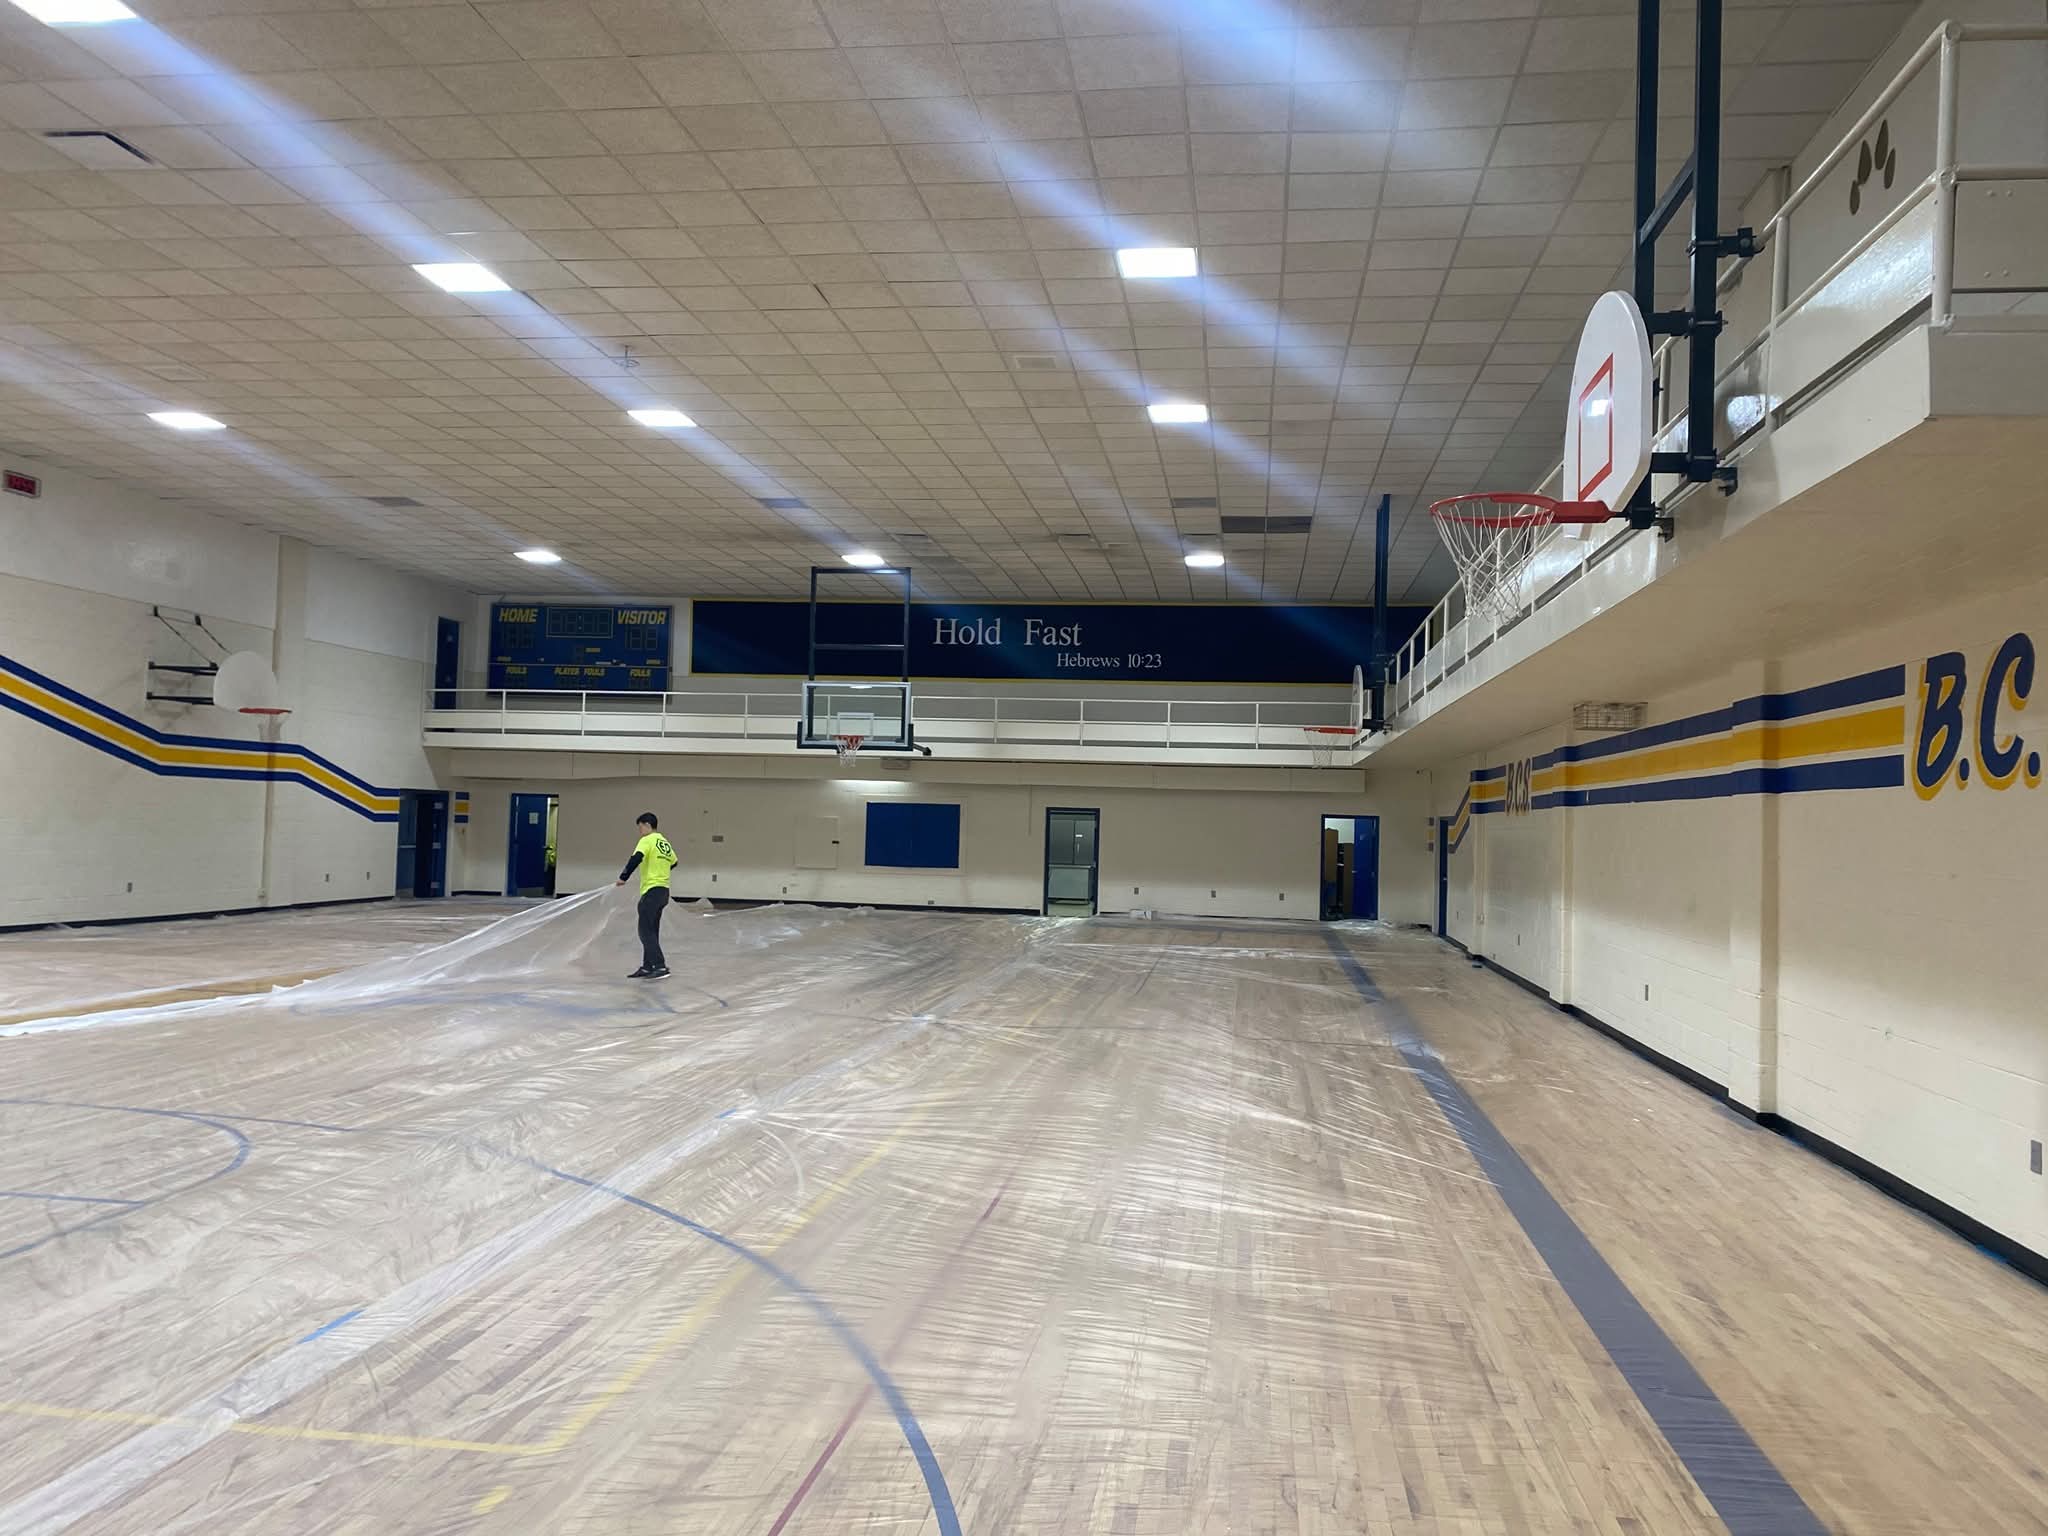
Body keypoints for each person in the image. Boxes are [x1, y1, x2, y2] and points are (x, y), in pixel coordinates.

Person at [616, 811, 677, 979]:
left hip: (651, 891)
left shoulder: (647, 840)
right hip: (663, 891)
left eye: (640, 827)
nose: (640, 831)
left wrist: (623, 877)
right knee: (652, 930)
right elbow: (674, 861)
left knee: (644, 930)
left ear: (647, 825)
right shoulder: (664, 843)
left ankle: (660, 966)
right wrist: (660, 871)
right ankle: (647, 966)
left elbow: (636, 858)